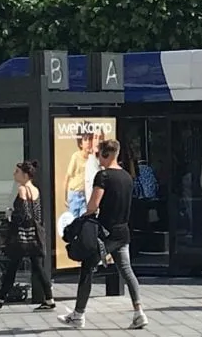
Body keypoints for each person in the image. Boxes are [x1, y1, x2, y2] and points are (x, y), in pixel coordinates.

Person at [59, 139, 148, 330]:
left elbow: (93, 205)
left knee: (87, 269)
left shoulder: (104, 176)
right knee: (126, 270)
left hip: (105, 234)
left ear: (106, 155)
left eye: (99, 154)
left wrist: (82, 219)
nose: (98, 158)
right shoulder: (126, 177)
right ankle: (139, 311)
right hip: (122, 231)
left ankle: (78, 314)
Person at [0, 160, 55, 311]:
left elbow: (24, 215)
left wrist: (10, 215)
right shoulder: (35, 190)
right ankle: (49, 298)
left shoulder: (22, 189)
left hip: (22, 237)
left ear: (25, 175)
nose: (14, 174)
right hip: (34, 235)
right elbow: (36, 214)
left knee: (12, 267)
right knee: (37, 268)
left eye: (17, 172)